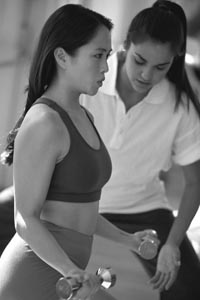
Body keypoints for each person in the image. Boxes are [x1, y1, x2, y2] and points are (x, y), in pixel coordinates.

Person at [0, 4, 159, 300]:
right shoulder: (45, 122)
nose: (106, 68)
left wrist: (129, 240)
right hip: (38, 272)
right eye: (97, 55)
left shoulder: (83, 116)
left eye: (107, 56)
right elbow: (25, 218)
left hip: (69, 273)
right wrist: (68, 269)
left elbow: (79, 211)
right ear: (62, 56)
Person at [80, 1, 200, 299]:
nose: (147, 75)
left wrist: (172, 243)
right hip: (74, 202)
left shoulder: (179, 108)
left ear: (175, 60)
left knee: (189, 288)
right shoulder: (88, 81)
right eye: (139, 60)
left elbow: (195, 181)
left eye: (161, 66)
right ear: (124, 46)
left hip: (141, 208)